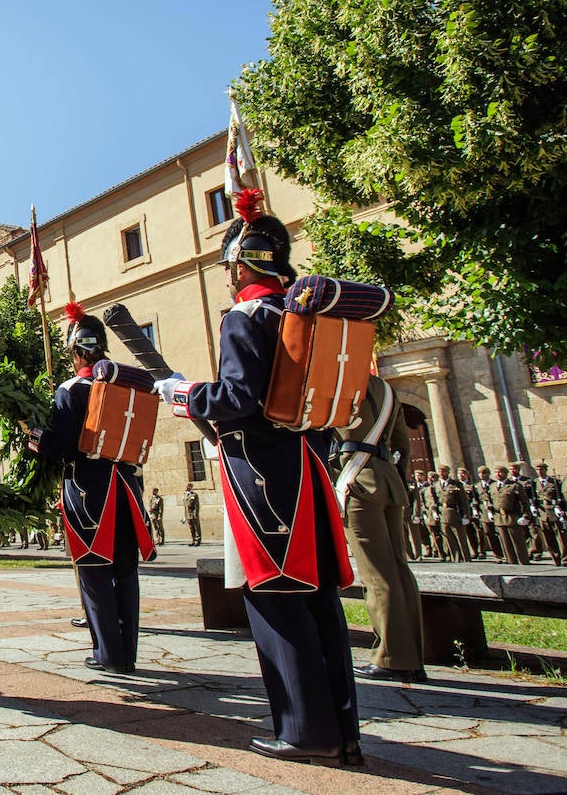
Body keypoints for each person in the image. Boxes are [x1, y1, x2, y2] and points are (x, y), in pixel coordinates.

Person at [156, 189, 360, 766]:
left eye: (229, 266)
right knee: (320, 602)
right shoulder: (303, 316)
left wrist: (188, 394)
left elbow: (238, 398)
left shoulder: (246, 316)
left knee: (276, 598)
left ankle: (303, 730)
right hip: (309, 471)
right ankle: (342, 728)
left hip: (264, 474)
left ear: (241, 265)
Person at [31, 304, 156, 677]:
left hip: (88, 489)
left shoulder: (72, 390)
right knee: (125, 571)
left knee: (93, 567)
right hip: (126, 487)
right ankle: (127, 652)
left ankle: (107, 652)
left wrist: (37, 436)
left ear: (78, 351)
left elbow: (65, 447)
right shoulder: (124, 386)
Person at [332, 374, 425, 683]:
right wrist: (394, 476)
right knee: (399, 568)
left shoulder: (337, 382)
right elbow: (402, 444)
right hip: (388, 481)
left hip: (357, 483)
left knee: (377, 574)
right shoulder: (385, 389)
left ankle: (390, 656)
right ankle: (412, 655)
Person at [532, 462, 567, 566]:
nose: (539, 472)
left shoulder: (554, 482)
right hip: (543, 513)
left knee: (561, 537)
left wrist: (559, 508)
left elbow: (560, 496)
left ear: (545, 470)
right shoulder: (534, 483)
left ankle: (565, 559)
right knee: (548, 538)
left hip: (554, 511)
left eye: (542, 469)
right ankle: (555, 559)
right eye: (537, 470)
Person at [492, 465, 531, 565]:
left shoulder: (514, 486)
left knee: (518, 542)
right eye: (496, 472)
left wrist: (525, 515)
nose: (498, 474)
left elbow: (524, 502)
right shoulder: (492, 486)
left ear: (505, 473)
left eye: (500, 472)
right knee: (506, 544)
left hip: (512, 517)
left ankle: (523, 562)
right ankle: (511, 562)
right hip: (499, 518)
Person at [182, 482, 202, 546]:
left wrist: (196, 514)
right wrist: (185, 515)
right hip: (188, 514)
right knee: (191, 528)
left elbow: (196, 505)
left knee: (196, 527)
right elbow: (185, 506)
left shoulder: (194, 495)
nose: (186, 487)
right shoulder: (185, 495)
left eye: (187, 486)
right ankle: (193, 540)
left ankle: (198, 540)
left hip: (193, 513)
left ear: (190, 487)